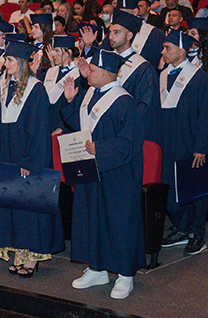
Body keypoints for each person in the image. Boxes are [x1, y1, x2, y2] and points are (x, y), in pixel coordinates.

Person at [61, 49, 145, 300]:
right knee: (91, 217)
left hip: (118, 173)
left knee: (118, 222)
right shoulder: (91, 94)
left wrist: (102, 149)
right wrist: (70, 101)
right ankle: (97, 268)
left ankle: (125, 275)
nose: (87, 74)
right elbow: (81, 126)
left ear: (106, 73)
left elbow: (130, 142)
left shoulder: (124, 102)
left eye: (92, 71)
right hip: (90, 169)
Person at [0, 40, 65, 277]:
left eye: (8, 60)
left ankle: (31, 258)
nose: (4, 63)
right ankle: (19, 254)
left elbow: (39, 129)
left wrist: (30, 163)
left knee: (28, 208)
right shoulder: (4, 85)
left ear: (19, 62)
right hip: (5, 152)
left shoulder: (35, 88)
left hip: (27, 155)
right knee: (11, 207)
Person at [158, 30, 208, 256]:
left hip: (193, 142)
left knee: (197, 188)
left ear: (182, 51)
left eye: (168, 48)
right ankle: (182, 228)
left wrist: (202, 146)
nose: (163, 52)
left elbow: (206, 114)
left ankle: (198, 233)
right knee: (172, 186)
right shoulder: (163, 75)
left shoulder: (199, 77)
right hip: (169, 141)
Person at [108, 10, 161, 144]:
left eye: (117, 32)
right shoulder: (106, 61)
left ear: (129, 35)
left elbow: (145, 108)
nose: (111, 36)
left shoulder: (143, 68)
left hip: (127, 134)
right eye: (110, 32)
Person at [43, 35, 85, 134]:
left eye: (57, 51)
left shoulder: (78, 75)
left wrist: (61, 128)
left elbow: (78, 105)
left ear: (69, 52)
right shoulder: (51, 71)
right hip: (46, 123)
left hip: (64, 127)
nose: (53, 54)